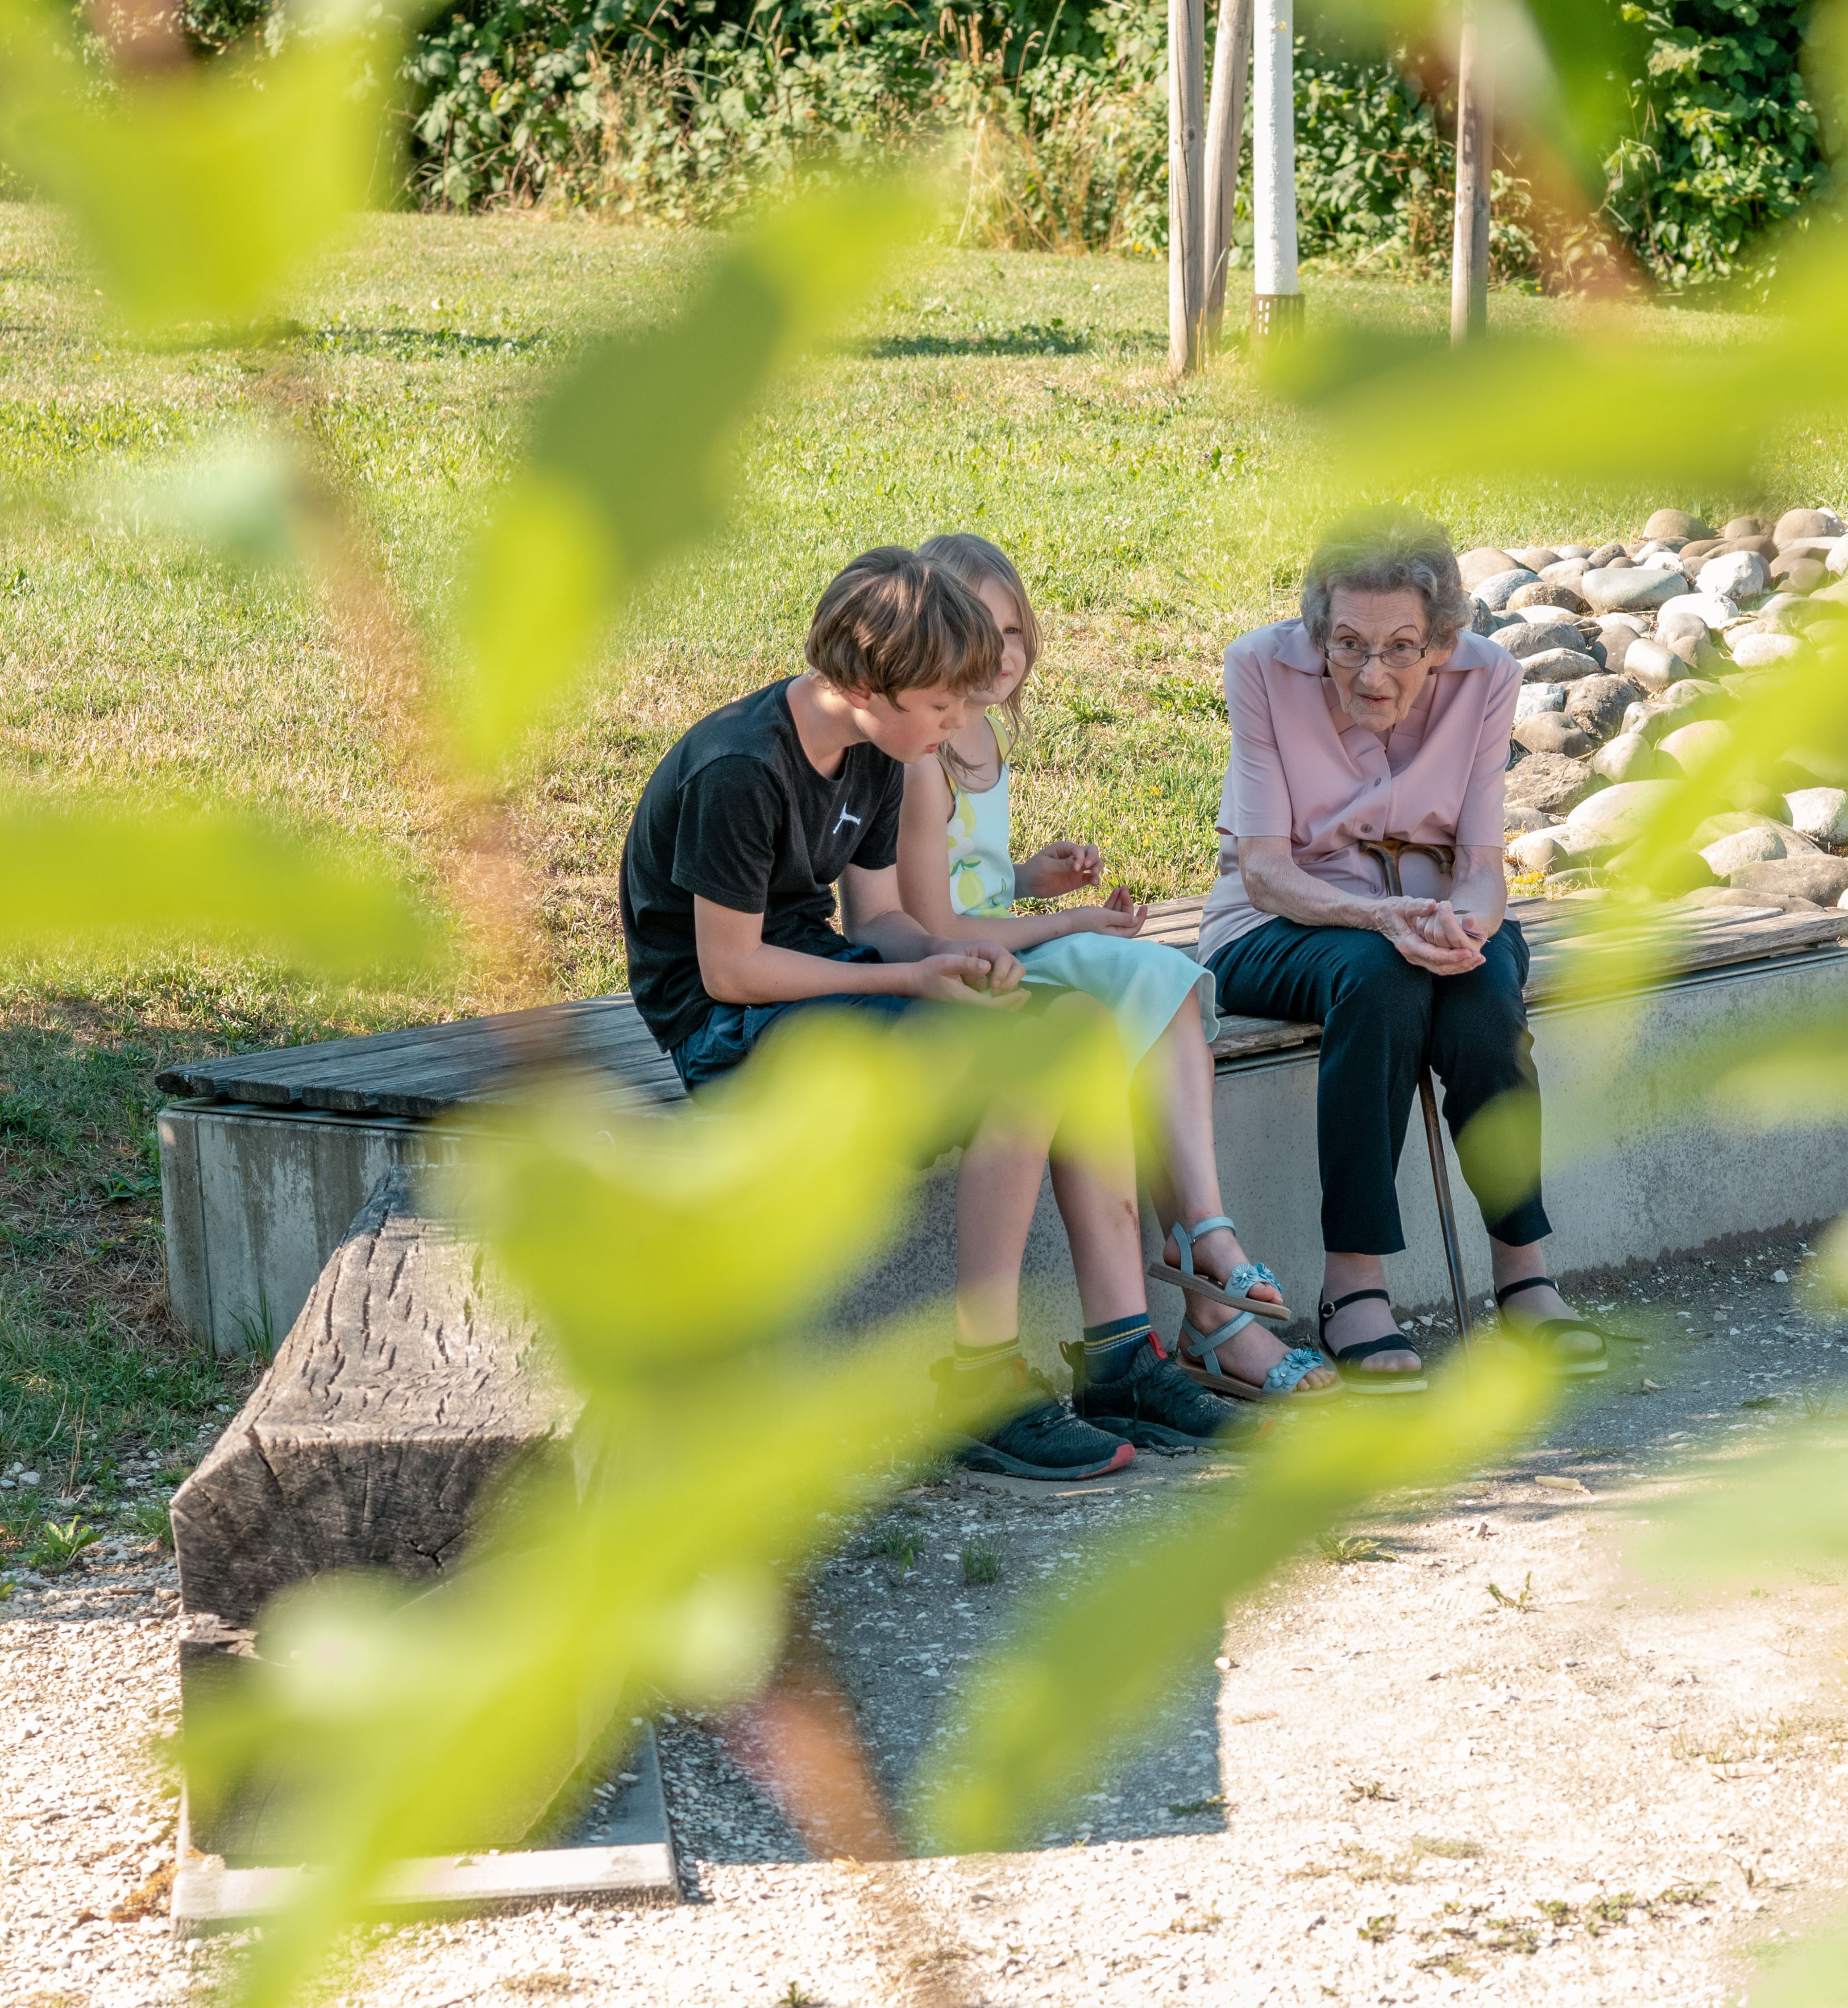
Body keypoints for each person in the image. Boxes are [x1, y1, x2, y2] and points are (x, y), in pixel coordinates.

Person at [616, 545, 1239, 1480]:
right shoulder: (739, 768)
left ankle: (1120, 1357)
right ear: (868, 683)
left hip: (819, 978)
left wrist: (952, 957)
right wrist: (906, 983)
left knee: (1071, 1027)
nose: (957, 723)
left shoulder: (874, 754)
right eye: (942, 705)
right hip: (723, 1030)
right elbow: (732, 970)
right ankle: (980, 1379)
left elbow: (885, 925)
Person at [895, 533, 1334, 1406]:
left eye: (1013, 631)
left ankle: (1205, 1245)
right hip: (963, 967)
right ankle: (1208, 1253)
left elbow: (969, 873)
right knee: (1147, 975)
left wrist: (1031, 878)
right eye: (978, 629)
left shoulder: (977, 737)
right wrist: (1071, 916)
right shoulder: (921, 757)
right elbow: (931, 918)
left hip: (1007, 943)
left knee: (1158, 987)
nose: (1000, 653)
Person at [1194, 510, 1619, 1390]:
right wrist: (1383, 921)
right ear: (1317, 630)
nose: (1370, 672)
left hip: (1430, 918)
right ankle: (1353, 1284)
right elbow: (1266, 873)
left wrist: (1463, 924)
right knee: (1381, 979)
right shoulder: (1261, 668)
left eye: (1399, 649)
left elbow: (1481, 866)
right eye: (1346, 645)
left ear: (1442, 641)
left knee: (1484, 990)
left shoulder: (1487, 675)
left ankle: (1524, 1271)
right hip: (1280, 925)